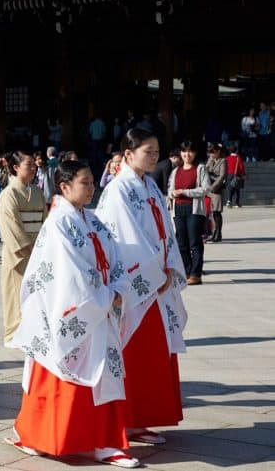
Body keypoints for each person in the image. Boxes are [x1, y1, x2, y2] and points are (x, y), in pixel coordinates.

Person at [7, 160, 138, 468]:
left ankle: (104, 441)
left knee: (102, 374)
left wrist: (117, 289)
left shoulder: (93, 222)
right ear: (64, 187)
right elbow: (68, 275)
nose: (91, 188)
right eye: (84, 182)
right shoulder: (58, 224)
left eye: (93, 182)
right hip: (72, 311)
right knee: (66, 373)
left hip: (99, 308)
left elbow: (114, 257)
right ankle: (48, 436)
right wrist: (105, 296)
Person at [95, 128, 187, 446]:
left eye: (157, 151)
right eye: (148, 151)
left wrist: (171, 267)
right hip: (139, 285)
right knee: (134, 352)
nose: (154, 156)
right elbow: (124, 238)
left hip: (158, 279)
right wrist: (153, 276)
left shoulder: (150, 186)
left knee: (155, 353)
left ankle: (143, 418)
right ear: (129, 153)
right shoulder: (118, 189)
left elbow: (166, 232)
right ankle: (128, 419)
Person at [0, 151, 47, 346]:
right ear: (16, 168)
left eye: (34, 165)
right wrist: (28, 246)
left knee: (35, 293)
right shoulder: (9, 194)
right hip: (18, 252)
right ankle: (13, 333)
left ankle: (33, 331)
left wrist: (43, 244)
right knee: (15, 292)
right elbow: (11, 225)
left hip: (37, 248)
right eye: (29, 165)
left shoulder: (37, 191)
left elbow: (45, 220)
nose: (33, 168)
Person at [168, 141, 211, 285]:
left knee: (195, 242)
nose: (187, 154)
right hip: (178, 209)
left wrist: (185, 192)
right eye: (184, 151)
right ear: (180, 153)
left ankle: (196, 274)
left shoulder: (200, 169)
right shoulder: (175, 171)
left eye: (190, 151)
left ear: (195, 153)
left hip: (194, 209)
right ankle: (187, 271)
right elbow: (170, 189)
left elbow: (205, 189)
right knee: (181, 243)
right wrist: (172, 194)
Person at [205, 143, 227, 242]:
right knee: (211, 213)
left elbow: (222, 176)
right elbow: (205, 169)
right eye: (210, 153)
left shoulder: (223, 161)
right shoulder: (210, 159)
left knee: (217, 212)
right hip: (209, 189)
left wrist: (213, 187)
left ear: (218, 151)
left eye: (213, 153)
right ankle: (213, 233)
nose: (211, 155)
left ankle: (218, 233)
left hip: (217, 189)